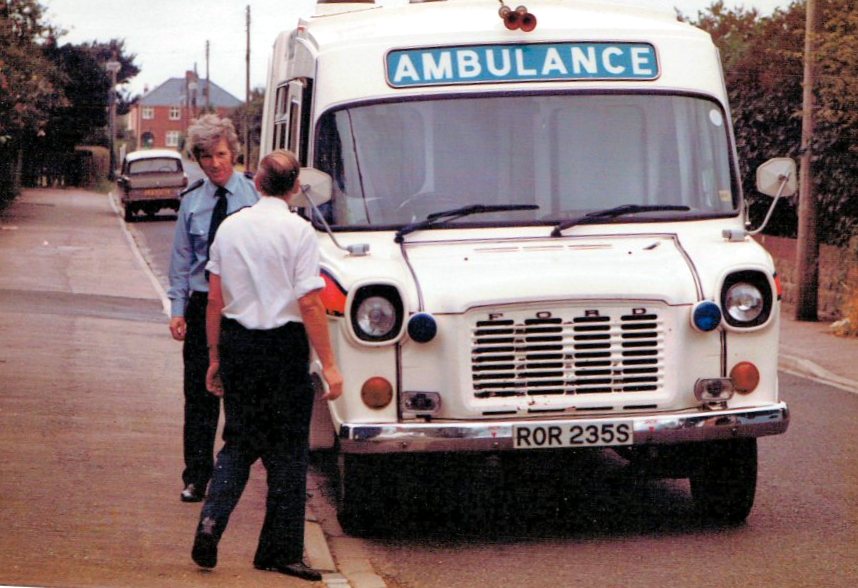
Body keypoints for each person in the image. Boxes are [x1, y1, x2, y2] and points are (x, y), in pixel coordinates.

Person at [190, 150, 343, 582]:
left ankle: (211, 524)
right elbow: (310, 302)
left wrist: (216, 356)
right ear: (296, 188)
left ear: (256, 182)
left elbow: (215, 300)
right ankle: (280, 552)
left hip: (239, 342)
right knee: (288, 452)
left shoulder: (230, 227)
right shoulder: (300, 232)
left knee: (238, 442)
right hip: (283, 347)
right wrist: (330, 365)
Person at [167, 114, 260, 503]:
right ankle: (196, 477)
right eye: (206, 156)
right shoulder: (192, 202)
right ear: (198, 159)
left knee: (240, 394)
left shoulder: (255, 198)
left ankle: (230, 475)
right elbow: (181, 260)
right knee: (199, 395)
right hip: (203, 304)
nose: (215, 163)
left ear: (234, 154)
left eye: (221, 154)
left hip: (242, 305)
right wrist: (177, 309)